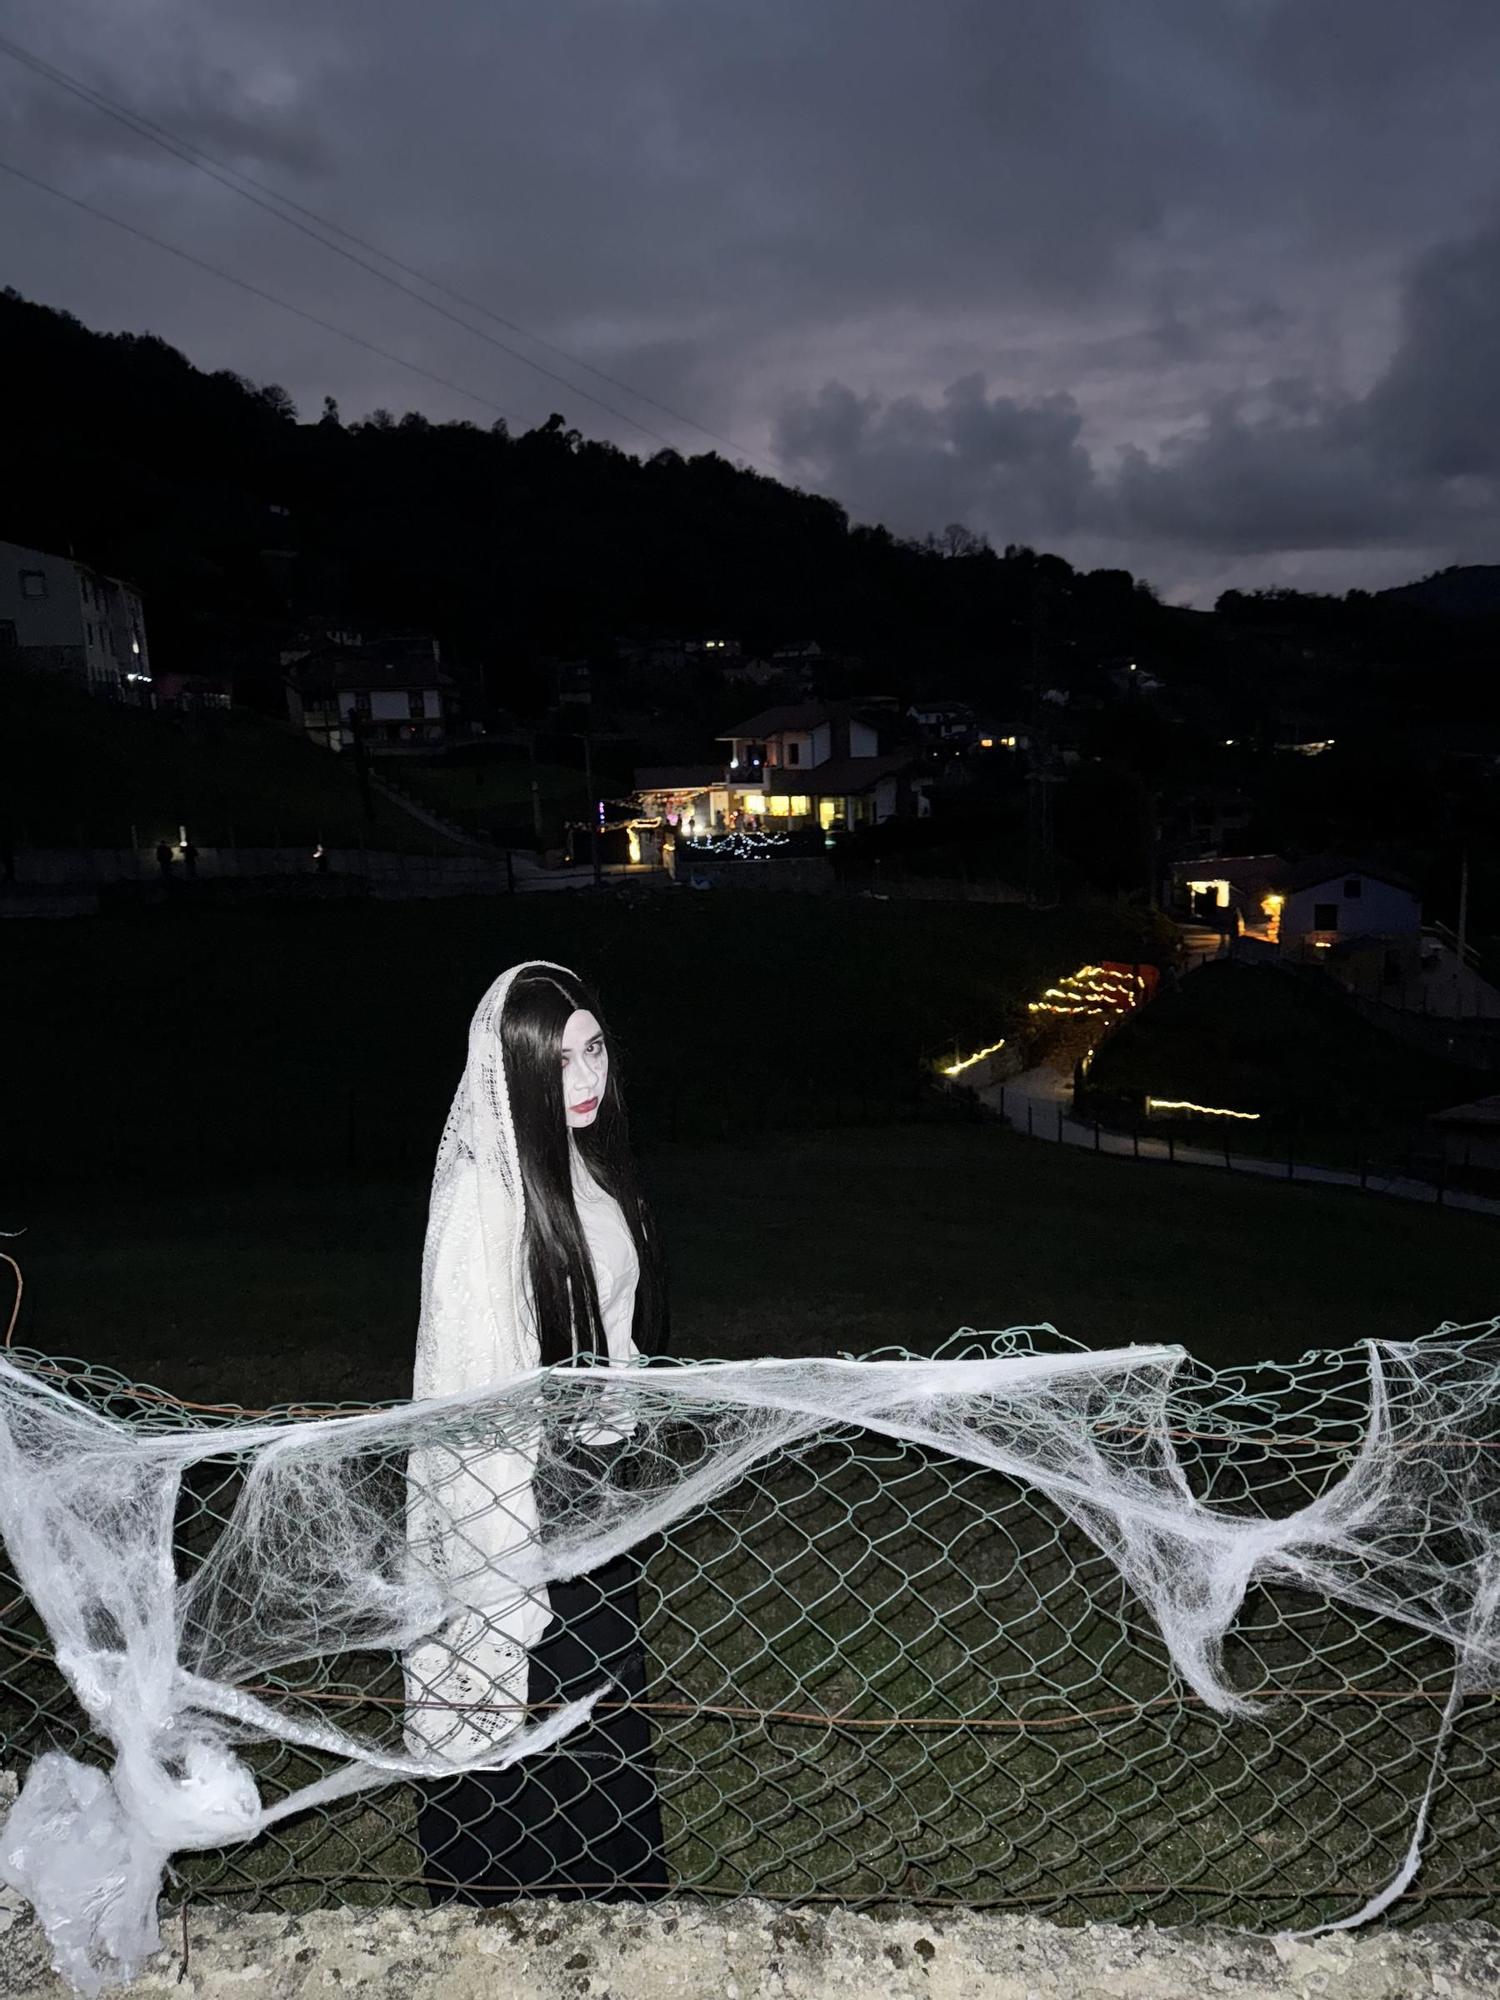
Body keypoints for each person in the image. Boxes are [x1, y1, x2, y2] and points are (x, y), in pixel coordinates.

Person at [407, 962, 669, 1905]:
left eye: (595, 1048)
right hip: (528, 1496)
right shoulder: (486, 1202)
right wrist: (502, 1563)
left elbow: (620, 1333)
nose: (586, 1077)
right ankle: (513, 1916)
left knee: (599, 1715)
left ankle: (609, 1914)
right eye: (557, 1062)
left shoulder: (586, 1164)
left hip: (600, 1480)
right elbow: (469, 1407)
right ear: (512, 1072)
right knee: (532, 1713)